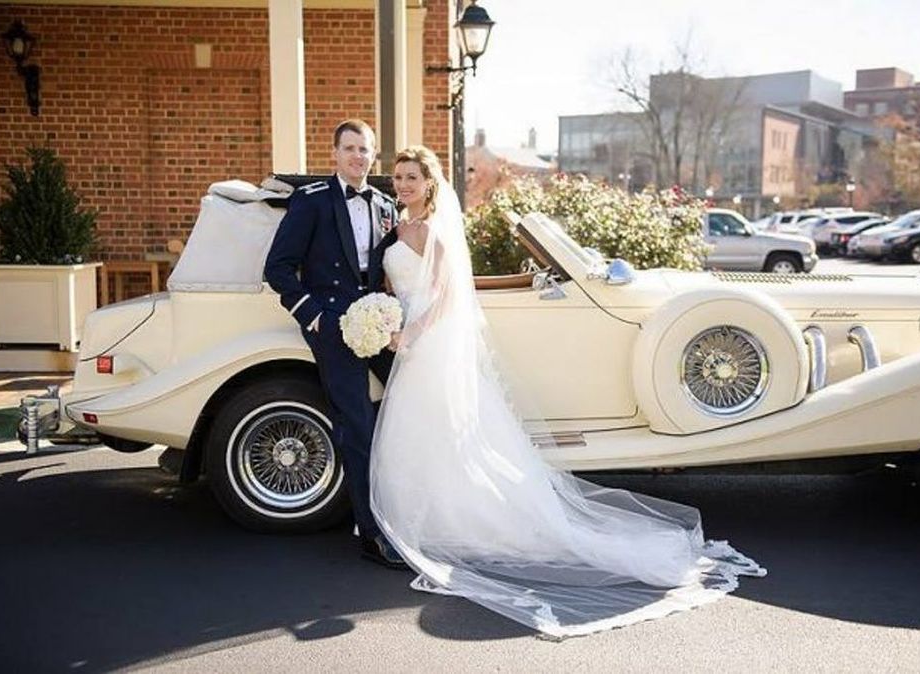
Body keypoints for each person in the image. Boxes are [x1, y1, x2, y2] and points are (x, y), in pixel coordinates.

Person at [370, 145, 766, 638]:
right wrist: (385, 317)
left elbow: (448, 294)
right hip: (406, 338)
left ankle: (455, 522)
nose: (404, 184)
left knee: (445, 431)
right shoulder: (396, 228)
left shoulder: (433, 231)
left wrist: (411, 331)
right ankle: (430, 518)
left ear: (429, 183)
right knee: (421, 434)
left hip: (428, 341)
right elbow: (394, 285)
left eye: (412, 177)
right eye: (399, 177)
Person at [264, 119, 406, 568]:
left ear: (373, 155)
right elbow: (278, 268)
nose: (358, 156)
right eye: (350, 148)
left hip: (379, 325)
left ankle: (408, 517)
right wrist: (315, 318)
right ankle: (372, 533)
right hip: (331, 327)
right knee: (357, 424)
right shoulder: (312, 201)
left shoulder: (385, 205)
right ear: (334, 154)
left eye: (365, 150)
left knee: (410, 409)